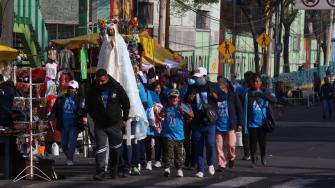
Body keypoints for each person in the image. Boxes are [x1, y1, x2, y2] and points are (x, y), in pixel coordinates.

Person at [86, 69, 130, 181]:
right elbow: (88, 105)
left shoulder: (116, 87)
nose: (99, 83)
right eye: (97, 81)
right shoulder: (92, 89)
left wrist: (124, 118)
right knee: (100, 149)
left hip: (115, 124)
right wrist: (95, 117)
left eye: (102, 81)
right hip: (100, 124)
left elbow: (126, 103)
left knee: (115, 149)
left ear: (106, 77)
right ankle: (100, 172)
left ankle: (113, 169)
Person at [186, 67, 217, 178]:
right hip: (197, 122)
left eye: (199, 77)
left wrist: (215, 96)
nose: (197, 79)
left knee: (210, 144)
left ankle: (210, 163)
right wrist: (189, 99)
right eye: (195, 78)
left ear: (205, 76)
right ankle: (200, 169)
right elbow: (186, 101)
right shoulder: (192, 87)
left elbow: (222, 97)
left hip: (209, 122)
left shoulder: (212, 85)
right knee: (198, 146)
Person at [243, 74, 277, 168]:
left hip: (262, 122)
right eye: (254, 81)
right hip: (251, 123)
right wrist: (244, 124)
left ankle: (263, 157)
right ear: (251, 83)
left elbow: (274, 99)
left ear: (261, 82)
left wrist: (262, 95)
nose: (256, 83)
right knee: (253, 143)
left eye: (258, 81)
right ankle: (254, 160)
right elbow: (245, 108)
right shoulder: (248, 93)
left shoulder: (264, 91)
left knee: (262, 142)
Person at [50, 80, 86, 166]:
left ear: (76, 89)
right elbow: (54, 110)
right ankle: (69, 157)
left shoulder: (80, 99)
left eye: (72, 88)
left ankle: (70, 159)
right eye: (69, 88)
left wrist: (84, 117)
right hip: (63, 125)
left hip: (74, 124)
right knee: (64, 145)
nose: (70, 90)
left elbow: (84, 111)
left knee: (72, 142)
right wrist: (51, 116)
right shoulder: (60, 98)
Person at [161, 89, 194, 177]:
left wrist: (183, 110)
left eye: (175, 97)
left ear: (178, 98)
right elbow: (161, 114)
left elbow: (192, 115)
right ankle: (167, 168)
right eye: (172, 97)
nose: (174, 99)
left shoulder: (181, 105)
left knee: (179, 153)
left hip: (179, 134)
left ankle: (179, 168)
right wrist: (159, 114)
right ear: (169, 98)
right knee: (169, 151)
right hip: (167, 134)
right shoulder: (166, 106)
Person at [215, 78, 243, 171]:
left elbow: (239, 110)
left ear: (225, 85)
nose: (217, 87)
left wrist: (240, 123)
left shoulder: (232, 95)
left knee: (231, 144)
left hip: (230, 125)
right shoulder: (215, 96)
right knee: (218, 146)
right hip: (217, 125)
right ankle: (221, 164)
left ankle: (231, 157)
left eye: (219, 85)